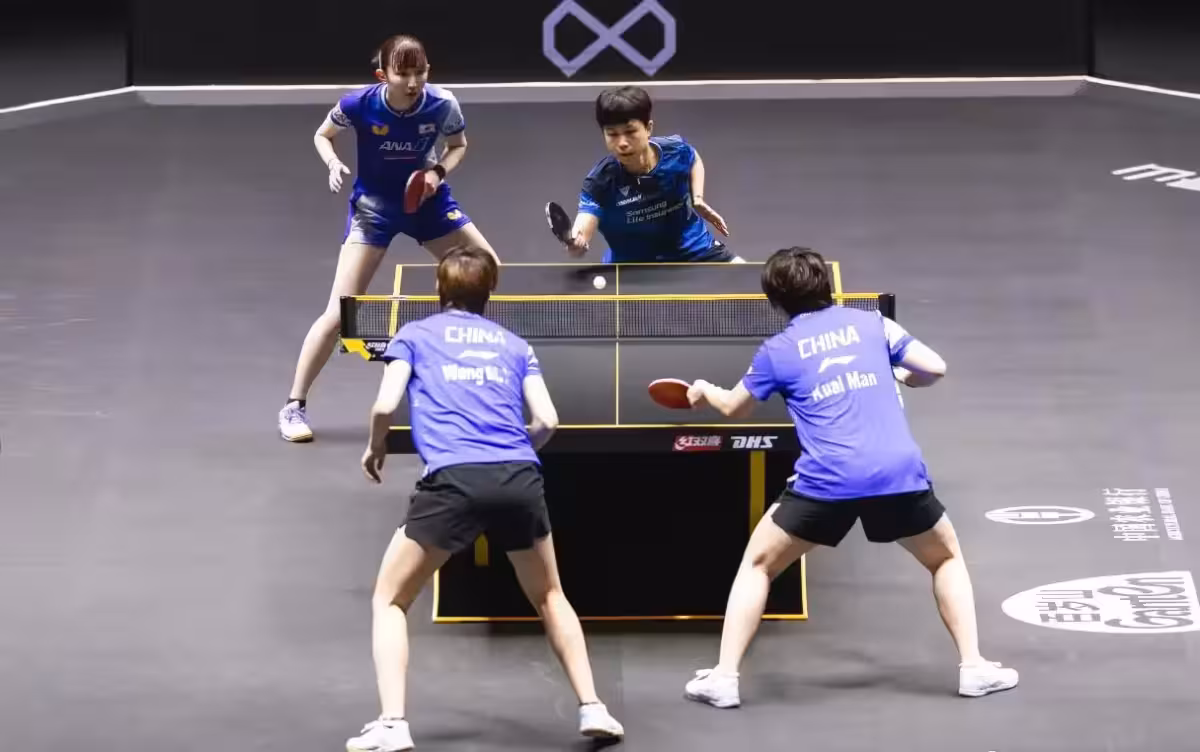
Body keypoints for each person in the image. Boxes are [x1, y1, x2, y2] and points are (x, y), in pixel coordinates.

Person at [679, 247, 1019, 708]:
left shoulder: (777, 351)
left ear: (775, 301)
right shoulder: (874, 324)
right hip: (896, 475)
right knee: (944, 559)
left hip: (826, 482)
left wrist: (704, 391)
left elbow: (733, 409)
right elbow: (934, 368)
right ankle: (974, 668)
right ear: (827, 286)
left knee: (758, 565)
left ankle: (723, 678)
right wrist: (903, 376)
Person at [347, 248, 624, 751]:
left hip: (452, 479)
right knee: (550, 595)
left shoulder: (413, 336)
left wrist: (375, 446)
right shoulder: (516, 345)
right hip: (518, 476)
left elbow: (385, 405)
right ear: (489, 292)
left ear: (440, 289)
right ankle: (594, 708)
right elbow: (548, 421)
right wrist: (511, 453)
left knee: (390, 599)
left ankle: (392, 724)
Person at [279, 34, 499, 443]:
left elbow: (458, 145)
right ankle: (294, 406)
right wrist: (333, 163)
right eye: (403, 74)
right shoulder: (358, 104)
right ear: (384, 75)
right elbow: (322, 134)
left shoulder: (442, 104)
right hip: (374, 210)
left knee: (490, 272)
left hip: (428, 202)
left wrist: (437, 173)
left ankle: (482, 392)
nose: (413, 82)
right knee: (339, 312)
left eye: (421, 72)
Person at [561, 85, 740, 263]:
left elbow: (693, 157)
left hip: (693, 248)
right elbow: (583, 227)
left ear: (648, 128)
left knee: (745, 274)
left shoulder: (675, 150)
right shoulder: (600, 181)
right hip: (633, 264)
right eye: (612, 134)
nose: (622, 143)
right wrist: (577, 243)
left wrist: (698, 198)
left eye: (630, 132)